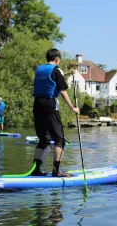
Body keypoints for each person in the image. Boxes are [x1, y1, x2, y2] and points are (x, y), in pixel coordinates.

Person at [32, 48, 80, 177]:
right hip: (50, 105)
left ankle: (35, 170)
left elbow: (49, 81)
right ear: (57, 59)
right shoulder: (57, 70)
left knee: (43, 139)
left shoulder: (39, 69)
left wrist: (68, 73)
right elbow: (62, 90)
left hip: (37, 104)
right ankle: (56, 171)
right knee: (60, 139)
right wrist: (73, 108)